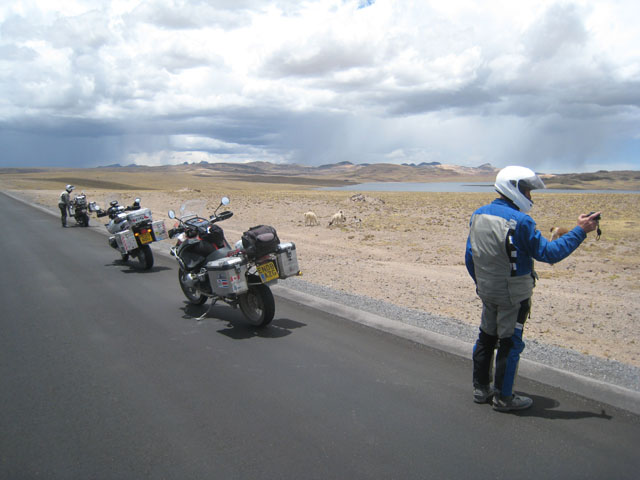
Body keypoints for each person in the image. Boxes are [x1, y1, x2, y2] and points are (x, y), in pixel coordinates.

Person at [465, 166, 601, 412]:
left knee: (486, 336)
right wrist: (581, 231)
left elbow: (470, 256)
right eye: (527, 191)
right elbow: (550, 253)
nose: (530, 197)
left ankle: (480, 389)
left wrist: (482, 283)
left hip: (487, 289)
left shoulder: (478, 215)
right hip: (513, 295)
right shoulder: (521, 221)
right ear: (514, 188)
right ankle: (503, 398)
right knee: (509, 342)